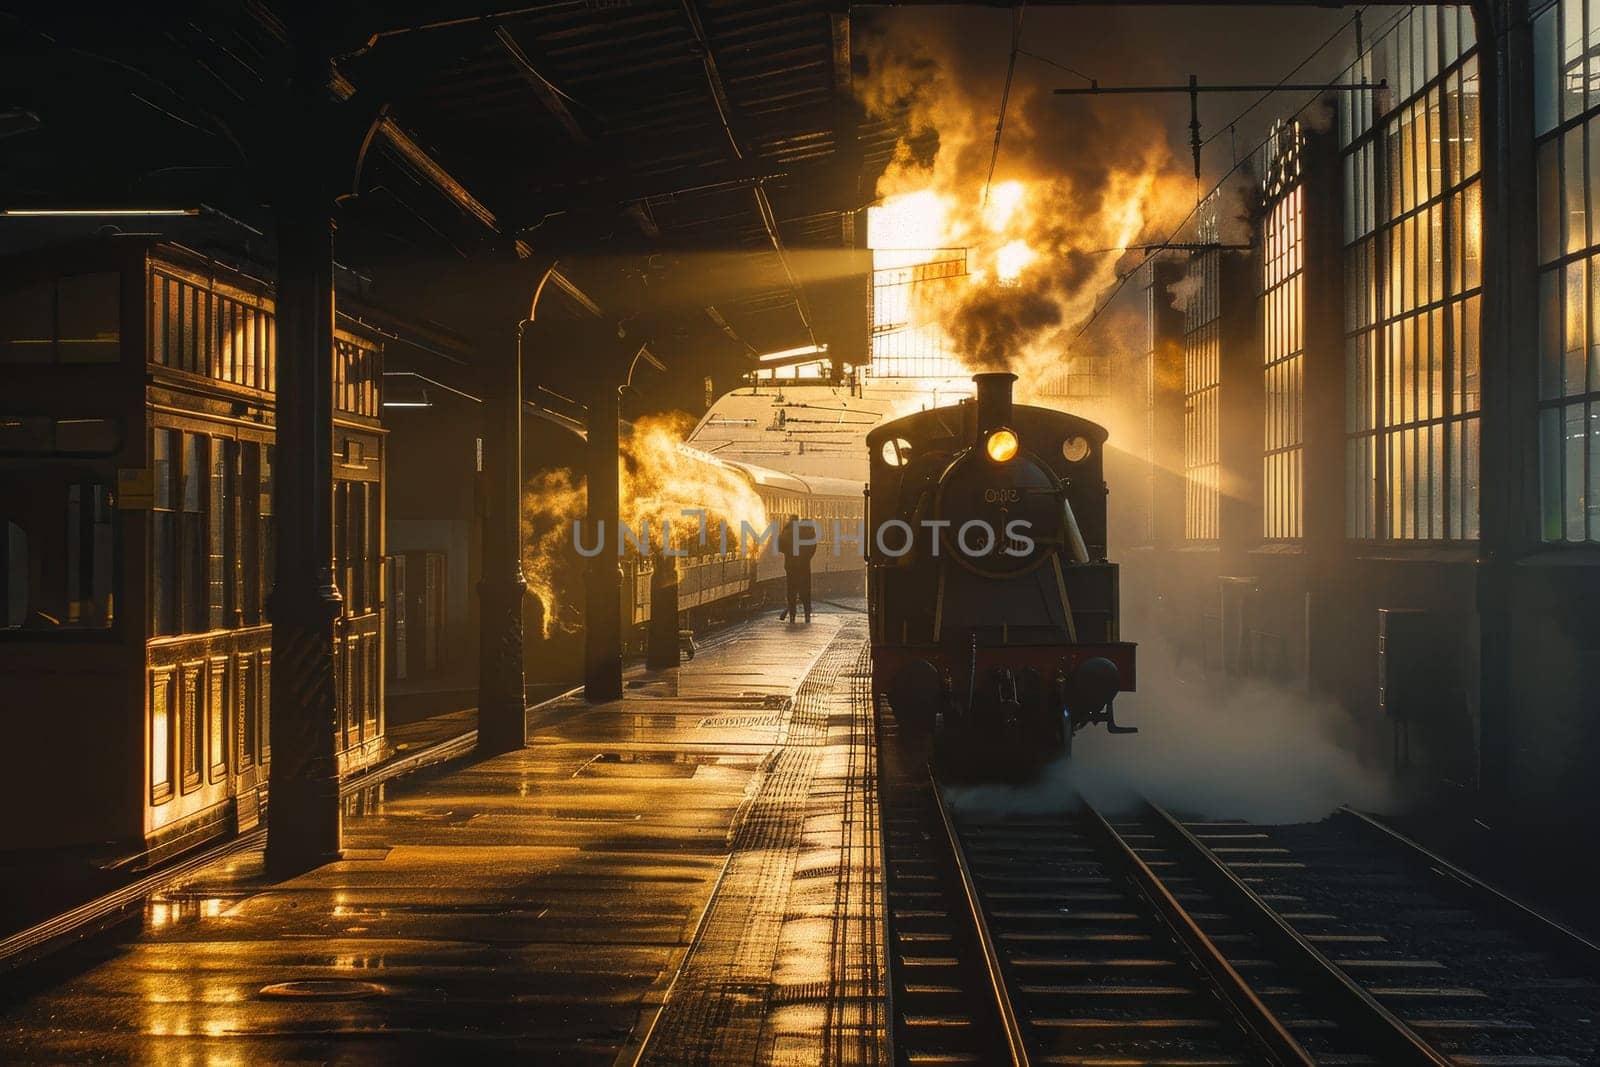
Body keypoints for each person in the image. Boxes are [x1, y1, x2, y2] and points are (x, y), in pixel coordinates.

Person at [776, 514, 818, 623]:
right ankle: (807, 615)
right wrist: (806, 558)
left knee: (791, 591)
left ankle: (792, 616)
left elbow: (779, 546)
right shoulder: (808, 531)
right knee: (805, 591)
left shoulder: (788, 531)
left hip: (791, 566)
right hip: (804, 566)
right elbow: (813, 547)